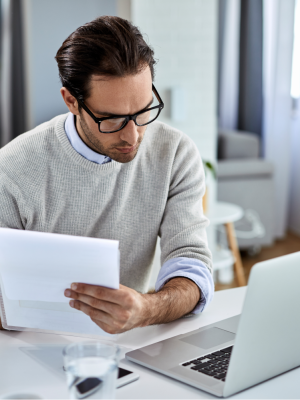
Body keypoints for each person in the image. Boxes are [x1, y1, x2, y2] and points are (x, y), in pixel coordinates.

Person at [0, 16, 213, 334]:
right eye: (112, 119)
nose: (134, 136)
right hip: (30, 346)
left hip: (132, 340)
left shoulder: (176, 154)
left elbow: (191, 262)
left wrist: (146, 309)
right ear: (72, 101)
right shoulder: (12, 170)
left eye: (143, 111)